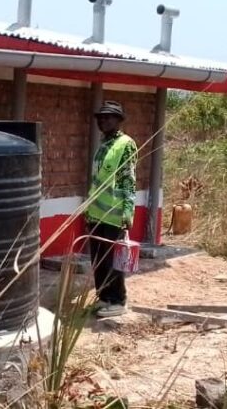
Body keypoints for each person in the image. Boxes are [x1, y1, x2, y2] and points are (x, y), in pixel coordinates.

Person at [85, 100, 137, 318]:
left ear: (118, 120)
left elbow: (128, 180)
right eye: (100, 118)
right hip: (96, 212)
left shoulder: (126, 144)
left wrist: (128, 211)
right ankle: (104, 297)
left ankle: (117, 300)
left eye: (108, 117)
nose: (103, 121)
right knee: (98, 259)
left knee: (112, 260)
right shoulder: (104, 144)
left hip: (114, 214)